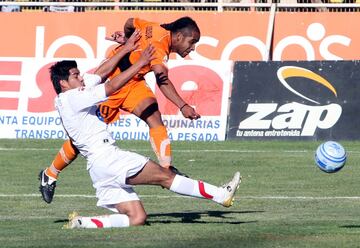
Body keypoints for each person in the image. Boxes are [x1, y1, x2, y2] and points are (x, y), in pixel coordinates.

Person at [48, 36, 241, 229]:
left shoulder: (69, 96)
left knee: (137, 218)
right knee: (166, 177)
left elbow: (102, 74)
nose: (81, 77)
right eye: (76, 75)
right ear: (64, 83)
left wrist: (125, 49)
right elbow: (112, 86)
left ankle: (82, 223)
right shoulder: (73, 98)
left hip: (98, 170)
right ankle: (221, 195)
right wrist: (140, 62)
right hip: (110, 159)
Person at [39, 16, 202, 204]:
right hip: (113, 82)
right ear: (179, 36)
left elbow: (130, 21)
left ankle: (167, 169)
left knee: (154, 117)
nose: (193, 48)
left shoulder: (152, 26)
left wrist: (128, 38)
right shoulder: (158, 45)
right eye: (192, 42)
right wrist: (182, 105)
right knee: (83, 138)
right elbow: (161, 80)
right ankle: (50, 174)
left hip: (134, 82)